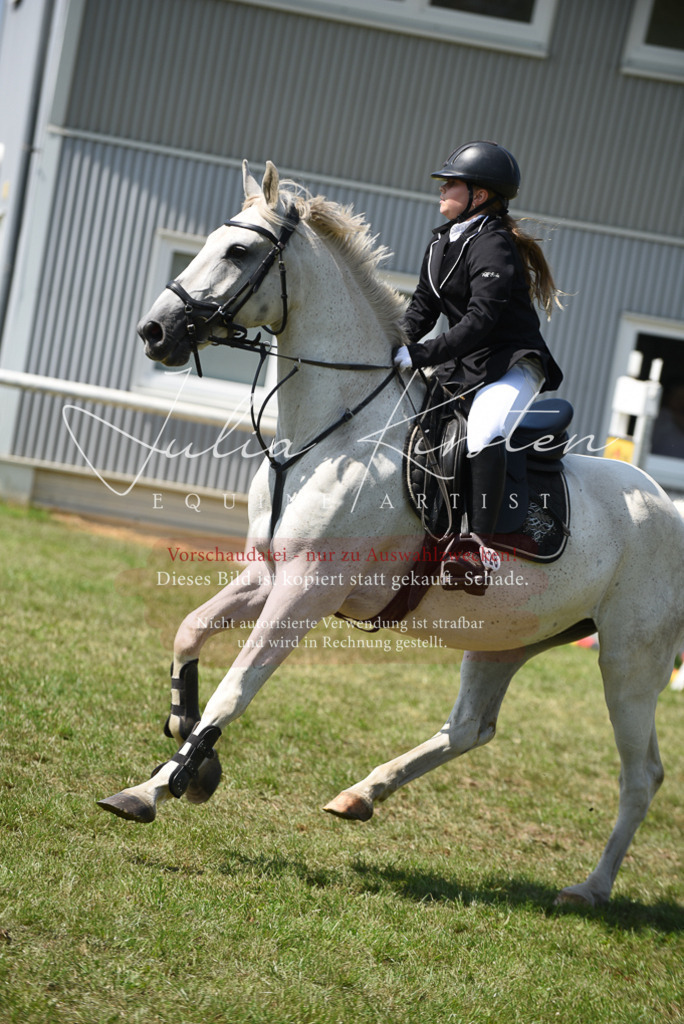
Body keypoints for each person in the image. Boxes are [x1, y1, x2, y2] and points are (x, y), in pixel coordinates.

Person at [393, 140, 563, 594]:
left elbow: (481, 320)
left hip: (512, 363)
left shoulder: (495, 245)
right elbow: (422, 307)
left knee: (484, 428)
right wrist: (395, 343)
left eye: (452, 184)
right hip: (467, 364)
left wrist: (424, 355)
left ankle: (477, 548)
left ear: (480, 195)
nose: (442, 190)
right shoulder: (441, 242)